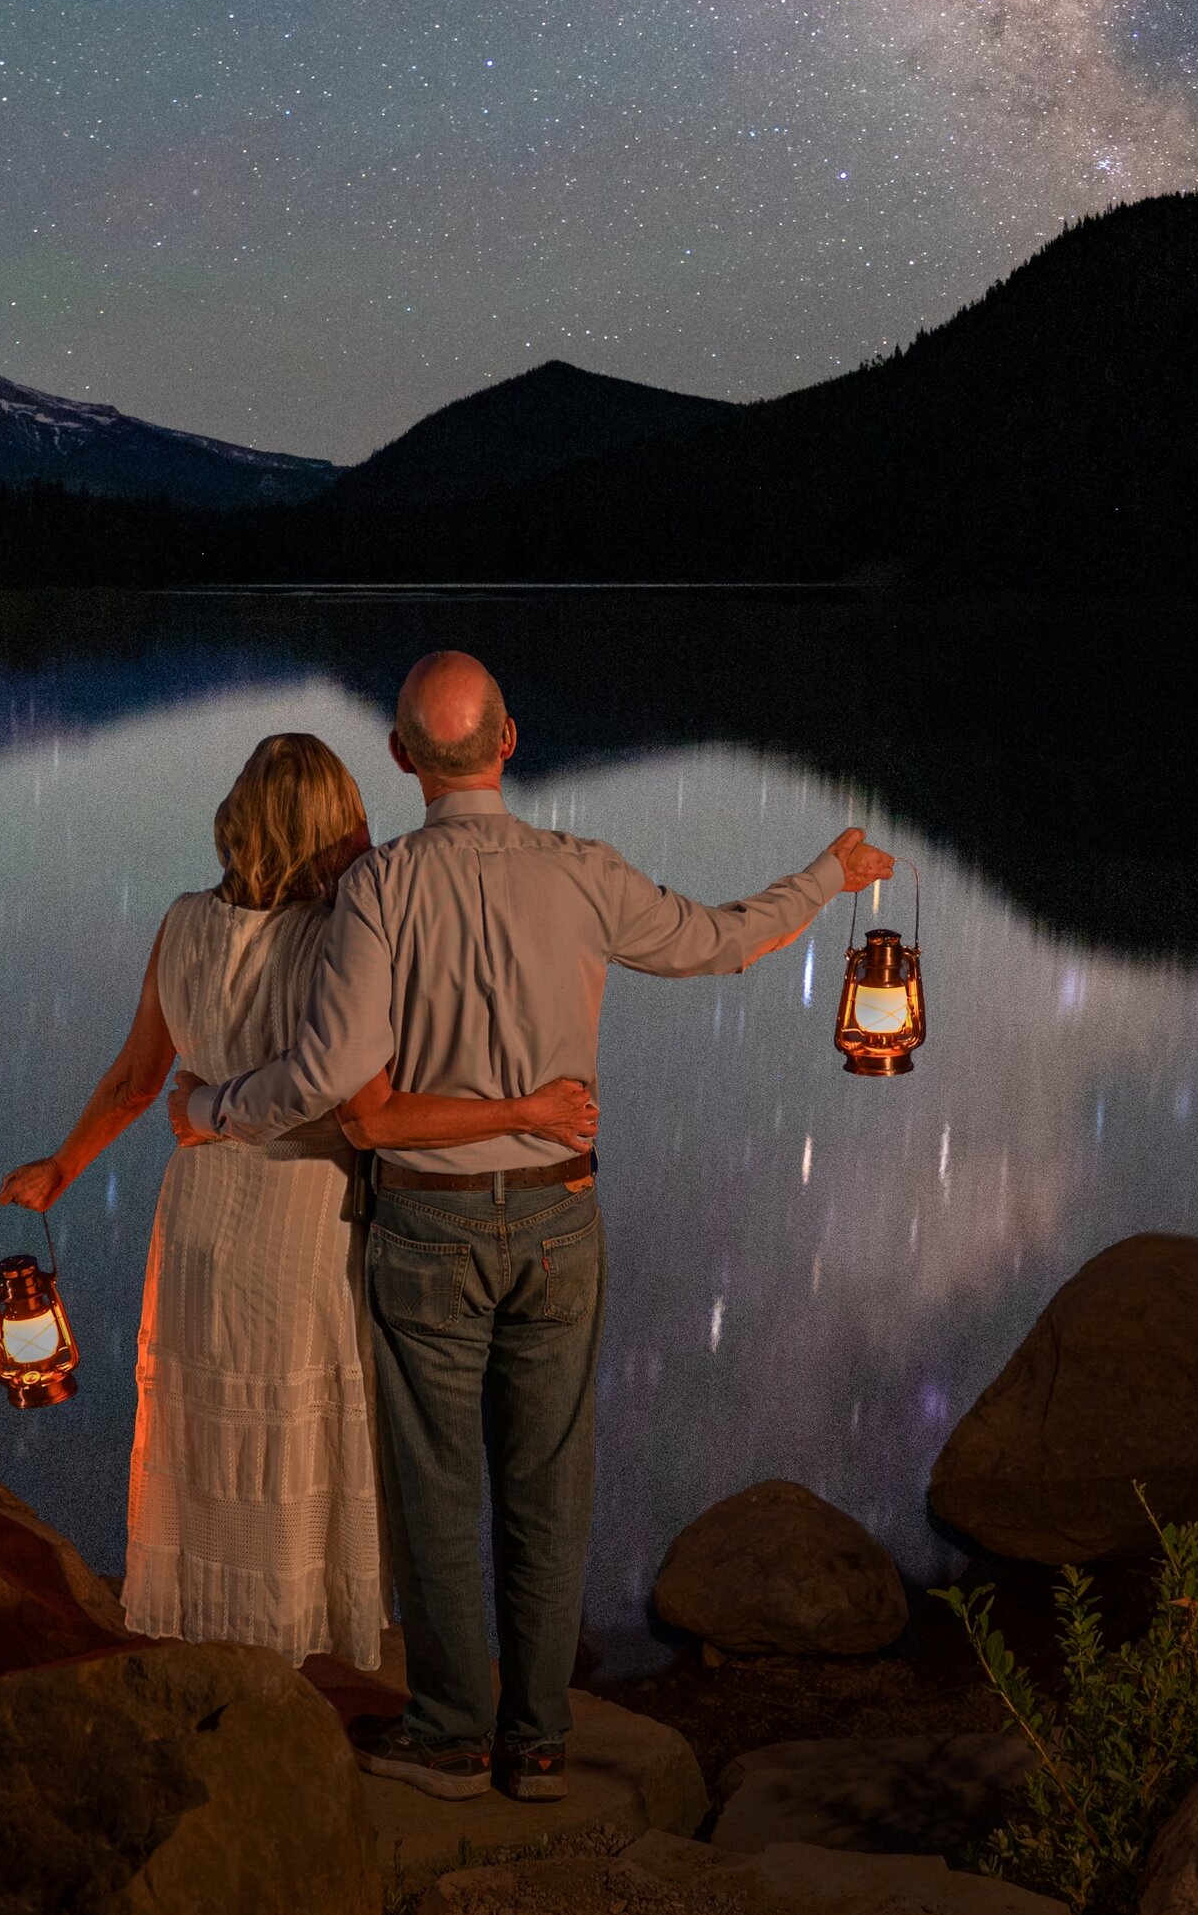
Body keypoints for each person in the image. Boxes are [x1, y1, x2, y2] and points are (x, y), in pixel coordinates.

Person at [171, 651, 892, 1800]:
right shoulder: (582, 873)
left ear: (403, 758)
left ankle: (453, 1733)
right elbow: (720, 940)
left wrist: (208, 1107)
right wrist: (826, 874)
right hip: (558, 1217)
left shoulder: (378, 890)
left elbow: (324, 1074)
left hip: (424, 1227)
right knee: (549, 1485)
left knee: (437, 1489)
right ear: (508, 742)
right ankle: (539, 1739)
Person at [0, 730, 595, 1670]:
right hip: (304, 1219)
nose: (369, 830)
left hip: (195, 1217)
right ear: (324, 828)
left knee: (204, 1431)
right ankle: (294, 1658)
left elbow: (134, 1081)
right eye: (354, 813)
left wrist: (61, 1169)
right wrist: (519, 1108)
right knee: (297, 1441)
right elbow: (369, 1111)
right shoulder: (345, 938)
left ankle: (211, 1640)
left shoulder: (182, 923)